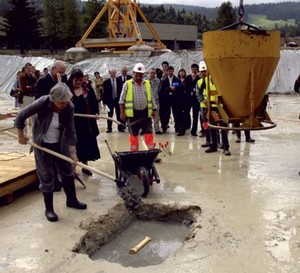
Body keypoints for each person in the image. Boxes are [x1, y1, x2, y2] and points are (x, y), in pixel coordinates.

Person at [14, 82, 87, 222]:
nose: (65, 104)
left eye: (66, 102)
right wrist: (21, 136)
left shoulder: (69, 107)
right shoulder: (43, 102)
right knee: (46, 175)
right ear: (54, 99)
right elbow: (21, 116)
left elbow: (71, 130)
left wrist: (73, 153)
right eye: (62, 102)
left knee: (67, 170)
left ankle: (71, 200)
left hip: (60, 143)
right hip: (42, 144)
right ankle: (49, 209)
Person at [34, 60, 68, 191]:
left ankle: (58, 180)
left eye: (63, 73)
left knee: (56, 149)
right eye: (60, 72)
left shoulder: (61, 82)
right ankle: (50, 182)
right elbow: (39, 100)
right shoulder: (43, 81)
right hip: (45, 121)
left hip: (57, 120)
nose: (62, 75)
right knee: (46, 154)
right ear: (54, 69)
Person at [119, 63, 161, 163]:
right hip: (133, 115)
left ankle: (152, 154)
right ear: (133, 73)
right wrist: (122, 112)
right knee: (133, 136)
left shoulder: (147, 84)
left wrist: (154, 110)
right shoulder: (127, 84)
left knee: (149, 134)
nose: (139, 75)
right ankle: (134, 155)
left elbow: (151, 98)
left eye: (141, 74)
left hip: (145, 114)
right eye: (137, 73)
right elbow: (121, 100)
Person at [67, 69, 101, 176]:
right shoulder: (67, 91)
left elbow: (94, 103)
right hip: (72, 123)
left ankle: (85, 166)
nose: (78, 82)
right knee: (73, 146)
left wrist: (95, 114)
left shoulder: (87, 90)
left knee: (85, 145)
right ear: (72, 79)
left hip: (87, 123)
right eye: (76, 80)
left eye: (80, 80)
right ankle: (72, 168)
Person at [198, 63, 231, 156]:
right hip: (210, 107)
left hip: (221, 107)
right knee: (212, 126)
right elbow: (199, 91)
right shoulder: (206, 80)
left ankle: (225, 147)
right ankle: (213, 145)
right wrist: (202, 99)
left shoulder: (222, 79)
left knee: (223, 128)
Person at [159, 65, 185, 135]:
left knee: (176, 113)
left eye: (171, 71)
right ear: (167, 72)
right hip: (167, 100)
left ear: (173, 71)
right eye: (169, 71)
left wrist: (176, 88)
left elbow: (181, 87)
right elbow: (162, 90)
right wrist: (169, 88)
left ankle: (177, 128)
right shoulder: (164, 81)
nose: (170, 72)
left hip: (175, 99)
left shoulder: (177, 80)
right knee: (166, 114)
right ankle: (164, 127)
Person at [183, 63, 201, 136]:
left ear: (197, 70)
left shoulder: (199, 78)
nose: (194, 71)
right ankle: (183, 130)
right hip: (188, 99)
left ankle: (194, 131)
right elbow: (185, 86)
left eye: (195, 69)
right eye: (193, 69)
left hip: (195, 99)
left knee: (195, 115)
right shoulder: (188, 77)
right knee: (185, 114)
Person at [148, 68, 162, 134]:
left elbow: (159, 89)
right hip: (148, 101)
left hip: (156, 101)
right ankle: (147, 129)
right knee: (147, 116)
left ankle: (157, 129)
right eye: (151, 73)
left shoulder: (158, 81)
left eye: (154, 73)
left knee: (156, 116)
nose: (152, 74)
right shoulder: (145, 81)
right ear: (149, 73)